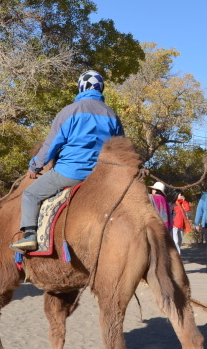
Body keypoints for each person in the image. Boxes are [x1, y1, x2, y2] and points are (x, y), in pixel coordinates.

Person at [11, 70, 124, 251]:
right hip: (101, 177)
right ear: (101, 88)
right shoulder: (112, 115)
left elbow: (50, 146)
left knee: (30, 195)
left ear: (80, 87)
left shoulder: (69, 111)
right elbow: (120, 150)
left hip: (69, 173)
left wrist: (35, 166)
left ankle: (30, 235)